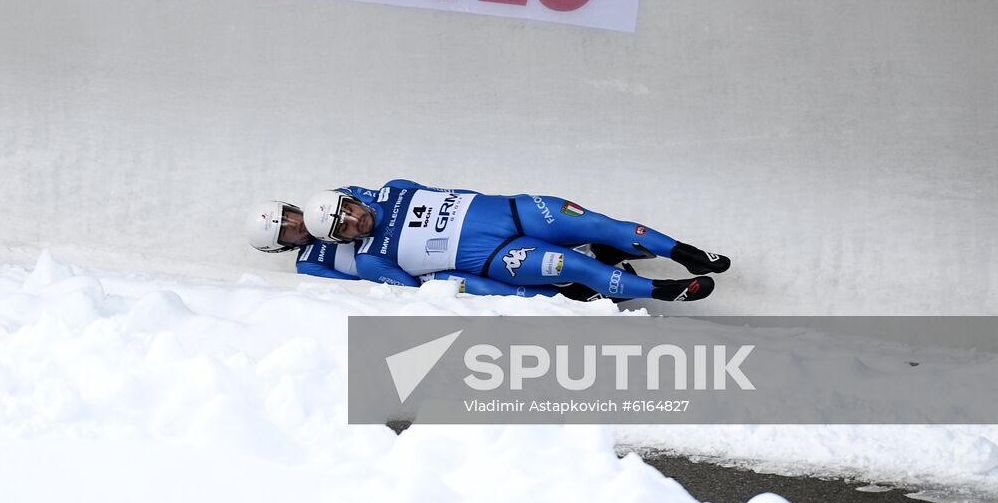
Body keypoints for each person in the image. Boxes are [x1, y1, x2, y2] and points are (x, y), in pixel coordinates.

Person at [301, 180, 728, 302]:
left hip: (515, 210)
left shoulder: (395, 187)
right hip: (500, 257)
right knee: (575, 266)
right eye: (345, 227)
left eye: (349, 210)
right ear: (342, 239)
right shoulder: (374, 262)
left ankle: (685, 253)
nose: (355, 222)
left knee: (600, 224)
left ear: (352, 198)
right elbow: (420, 293)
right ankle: (662, 291)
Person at [245, 200, 632, 301]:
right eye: (288, 232)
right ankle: (568, 295)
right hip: (417, 275)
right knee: (486, 287)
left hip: (427, 243)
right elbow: (355, 288)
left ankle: (586, 252)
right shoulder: (310, 266)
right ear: (283, 248)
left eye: (291, 217)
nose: (297, 226)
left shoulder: (331, 208)